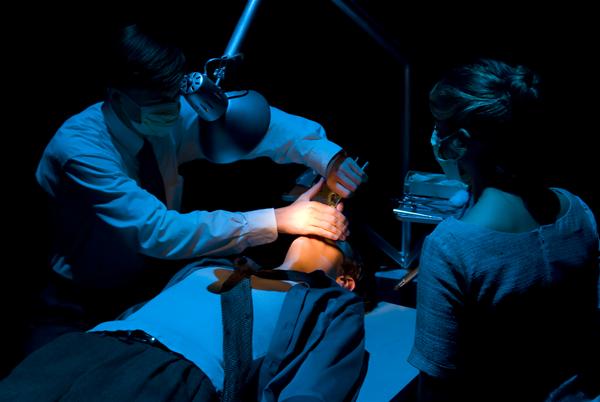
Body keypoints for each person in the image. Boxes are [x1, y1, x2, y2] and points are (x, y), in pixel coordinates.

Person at [28, 23, 367, 350]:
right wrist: (278, 220)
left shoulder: (163, 113)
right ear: (117, 96)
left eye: (174, 99)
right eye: (160, 103)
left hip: (153, 285)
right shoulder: (80, 150)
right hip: (78, 300)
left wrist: (328, 158)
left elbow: (255, 126)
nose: (173, 111)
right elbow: (157, 231)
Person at [406, 59, 599, 401]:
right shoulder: (578, 211)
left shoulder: (451, 247)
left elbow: (436, 386)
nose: (435, 137)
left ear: (461, 141)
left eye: (439, 125)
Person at [1, 234, 368, 401]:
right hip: (83, 349)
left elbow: (316, 388)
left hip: (167, 376)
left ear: (345, 280)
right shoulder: (214, 267)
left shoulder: (332, 303)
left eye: (337, 241)